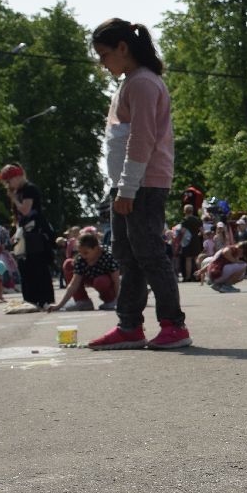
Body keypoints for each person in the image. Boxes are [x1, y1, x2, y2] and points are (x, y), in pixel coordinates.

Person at [87, 19, 191, 350]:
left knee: (149, 254)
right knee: (128, 256)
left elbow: (142, 139)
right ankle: (129, 325)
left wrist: (128, 189)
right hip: (127, 185)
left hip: (142, 185)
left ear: (123, 48)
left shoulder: (143, 83)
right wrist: (120, 186)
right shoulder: (129, 82)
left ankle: (174, 325)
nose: (102, 63)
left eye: (104, 55)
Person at [0, 164, 55, 310]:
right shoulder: (19, 191)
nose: (7, 184)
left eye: (8, 181)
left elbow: (25, 209)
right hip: (25, 233)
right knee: (25, 266)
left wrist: (14, 199)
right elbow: (18, 217)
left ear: (17, 177)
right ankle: (30, 298)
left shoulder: (29, 189)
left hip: (36, 234)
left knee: (37, 265)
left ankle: (44, 299)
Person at [52, 232, 119, 311]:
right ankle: (82, 301)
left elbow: (116, 281)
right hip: (89, 278)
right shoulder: (81, 259)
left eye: (86, 253)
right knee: (69, 263)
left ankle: (110, 300)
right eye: (80, 252)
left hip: (105, 281)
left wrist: (120, 302)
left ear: (96, 248)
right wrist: (59, 305)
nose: (83, 256)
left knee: (101, 281)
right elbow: (73, 284)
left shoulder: (108, 256)